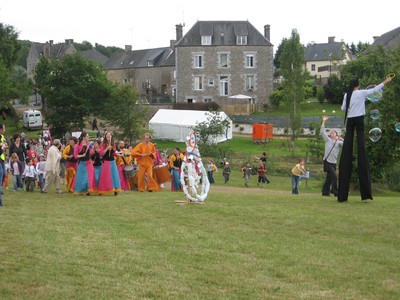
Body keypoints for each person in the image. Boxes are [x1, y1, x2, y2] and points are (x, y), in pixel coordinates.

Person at [338, 75, 393, 202]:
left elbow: (343, 108)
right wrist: (386, 81)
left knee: (347, 151)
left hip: (350, 121)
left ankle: (342, 195)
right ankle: (366, 195)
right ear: (358, 86)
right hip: (359, 120)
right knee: (361, 150)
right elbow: (375, 90)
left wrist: (348, 101)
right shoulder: (361, 93)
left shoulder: (347, 95)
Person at [321, 116, 343, 197]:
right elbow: (322, 132)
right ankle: (334, 190)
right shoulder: (328, 140)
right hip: (327, 162)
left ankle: (325, 192)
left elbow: (346, 145)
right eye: (331, 132)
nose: (332, 133)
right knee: (334, 176)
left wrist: (341, 139)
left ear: (337, 135)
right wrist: (323, 122)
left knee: (329, 178)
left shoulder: (338, 143)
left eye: (334, 132)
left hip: (334, 163)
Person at [97, 131, 121, 195]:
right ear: (105, 136)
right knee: (105, 176)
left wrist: (118, 155)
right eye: (107, 135)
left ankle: (116, 190)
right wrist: (107, 148)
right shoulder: (103, 144)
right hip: (106, 161)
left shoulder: (113, 143)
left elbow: (113, 152)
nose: (108, 136)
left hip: (112, 161)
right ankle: (102, 190)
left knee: (114, 176)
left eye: (109, 135)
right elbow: (101, 153)